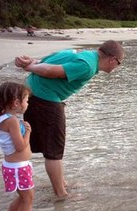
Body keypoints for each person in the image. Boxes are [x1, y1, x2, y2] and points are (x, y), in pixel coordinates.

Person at [14, 40, 124, 199]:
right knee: (54, 149)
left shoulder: (84, 54)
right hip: (44, 98)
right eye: (119, 64)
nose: (116, 68)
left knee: (52, 146)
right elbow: (51, 70)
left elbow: (47, 61)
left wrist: (31, 62)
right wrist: (29, 66)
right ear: (112, 59)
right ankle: (61, 194)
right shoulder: (87, 66)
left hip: (35, 94)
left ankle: (61, 183)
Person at [0, 81, 34, 211]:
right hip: (17, 168)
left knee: (25, 196)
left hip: (16, 166)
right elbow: (20, 146)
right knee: (27, 198)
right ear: (16, 103)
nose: (28, 103)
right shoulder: (12, 121)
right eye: (26, 100)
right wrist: (28, 131)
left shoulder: (3, 119)